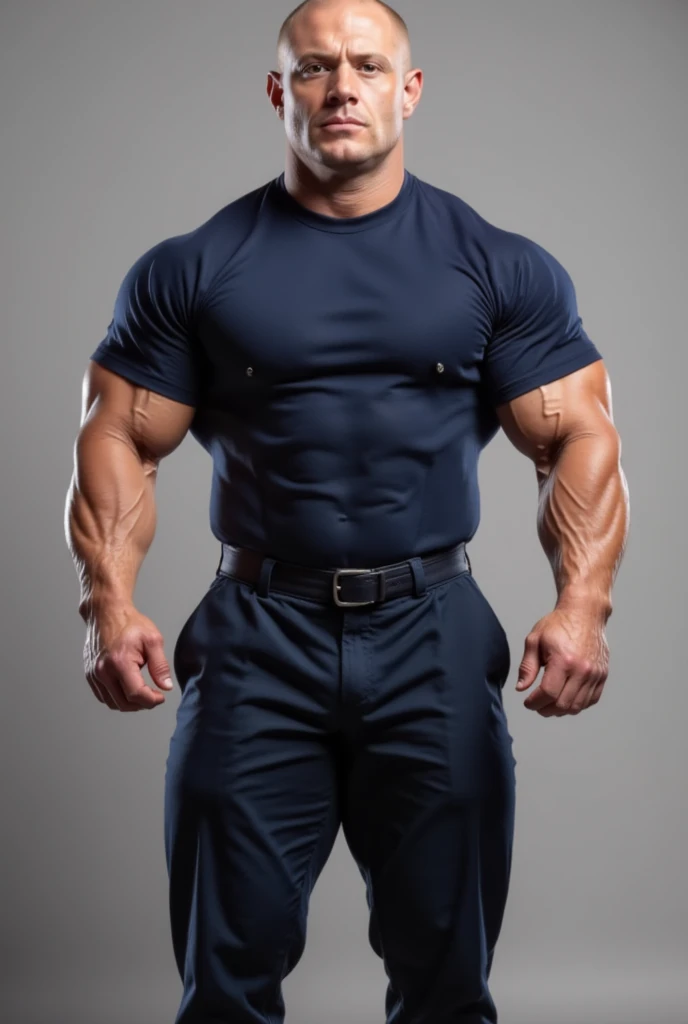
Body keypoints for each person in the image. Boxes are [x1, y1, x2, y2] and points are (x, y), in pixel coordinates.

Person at [65, 1, 629, 1021]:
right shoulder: (193, 267)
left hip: (433, 632)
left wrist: (581, 603)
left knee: (446, 981)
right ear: (280, 92)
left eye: (368, 65)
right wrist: (109, 603)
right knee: (224, 985)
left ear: (408, 91)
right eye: (315, 67)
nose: (342, 87)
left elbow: (577, 434)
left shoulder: (495, 262)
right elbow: (117, 434)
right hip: (254, 635)